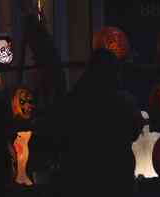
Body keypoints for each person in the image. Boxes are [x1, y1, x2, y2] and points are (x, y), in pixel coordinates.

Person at [40, 48, 142, 197]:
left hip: (79, 181)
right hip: (117, 179)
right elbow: (135, 130)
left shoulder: (73, 101)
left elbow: (57, 137)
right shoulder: (124, 102)